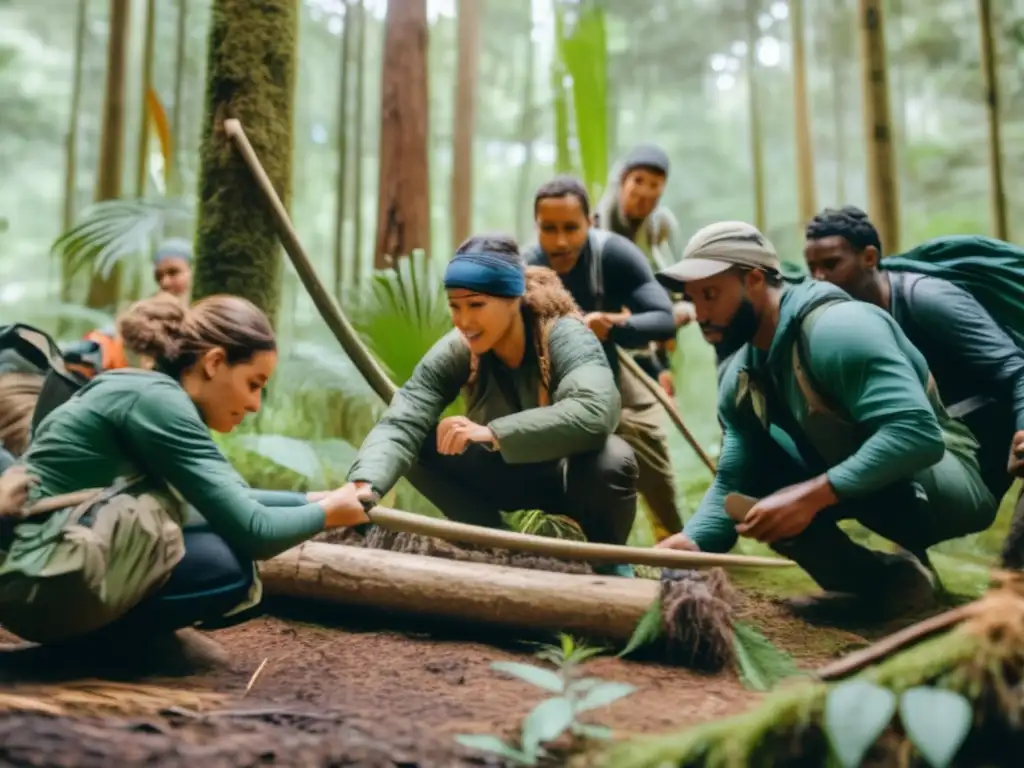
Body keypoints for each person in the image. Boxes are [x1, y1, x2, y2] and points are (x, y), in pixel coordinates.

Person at [653, 221, 997, 622]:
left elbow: (916, 434)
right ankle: (886, 586)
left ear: (754, 281)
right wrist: (692, 544)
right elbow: (734, 481)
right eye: (692, 300)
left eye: (710, 295)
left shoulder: (839, 330)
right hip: (867, 479)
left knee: (788, 497)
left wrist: (809, 496)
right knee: (752, 501)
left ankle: (903, 570)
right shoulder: (741, 376)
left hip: (944, 485)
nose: (699, 314)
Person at [0, 293, 370, 646]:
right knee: (228, 567)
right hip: (42, 584)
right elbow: (257, 533)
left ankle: (105, 637)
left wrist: (309, 499)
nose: (255, 404)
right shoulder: (159, 403)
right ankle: (99, 647)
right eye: (252, 384)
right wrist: (328, 513)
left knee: (211, 539)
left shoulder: (149, 392)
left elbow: (223, 501)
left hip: (36, 572)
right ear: (213, 363)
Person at [340, 233, 639, 554]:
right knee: (417, 442)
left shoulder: (565, 333)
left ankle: (605, 560)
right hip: (507, 474)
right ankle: (491, 542)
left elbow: (595, 413)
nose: (464, 320)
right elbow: (403, 420)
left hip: (570, 478)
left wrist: (492, 432)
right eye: (455, 306)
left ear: (513, 298)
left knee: (612, 459)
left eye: (477, 305)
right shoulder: (460, 346)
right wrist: (365, 485)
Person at [804, 206, 1024, 505]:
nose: (819, 279)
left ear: (869, 258)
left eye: (831, 264)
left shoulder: (927, 300)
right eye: (812, 268)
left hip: (1000, 423)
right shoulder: (848, 323)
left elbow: (1016, 369)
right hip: (951, 436)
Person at [523, 177, 683, 542]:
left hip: (612, 369)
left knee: (649, 445)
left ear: (591, 223)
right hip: (549, 380)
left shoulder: (614, 256)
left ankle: (674, 540)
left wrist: (610, 326)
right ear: (537, 228)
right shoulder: (524, 270)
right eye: (549, 229)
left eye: (570, 228)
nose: (560, 241)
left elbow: (664, 319)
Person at [592, 144, 695, 394]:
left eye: (654, 184)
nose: (645, 192)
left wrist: (680, 309)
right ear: (622, 180)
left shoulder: (661, 228)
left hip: (650, 347)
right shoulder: (596, 226)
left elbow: (677, 287)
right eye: (638, 181)